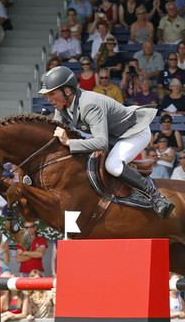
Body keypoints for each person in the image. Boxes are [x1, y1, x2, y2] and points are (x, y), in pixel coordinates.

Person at [40, 65, 172, 218]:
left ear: (67, 91)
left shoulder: (89, 105)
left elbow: (101, 143)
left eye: (52, 94)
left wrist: (69, 143)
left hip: (134, 132)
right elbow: (55, 133)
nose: (48, 99)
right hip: (114, 135)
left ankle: (156, 197)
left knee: (112, 165)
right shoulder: (62, 105)